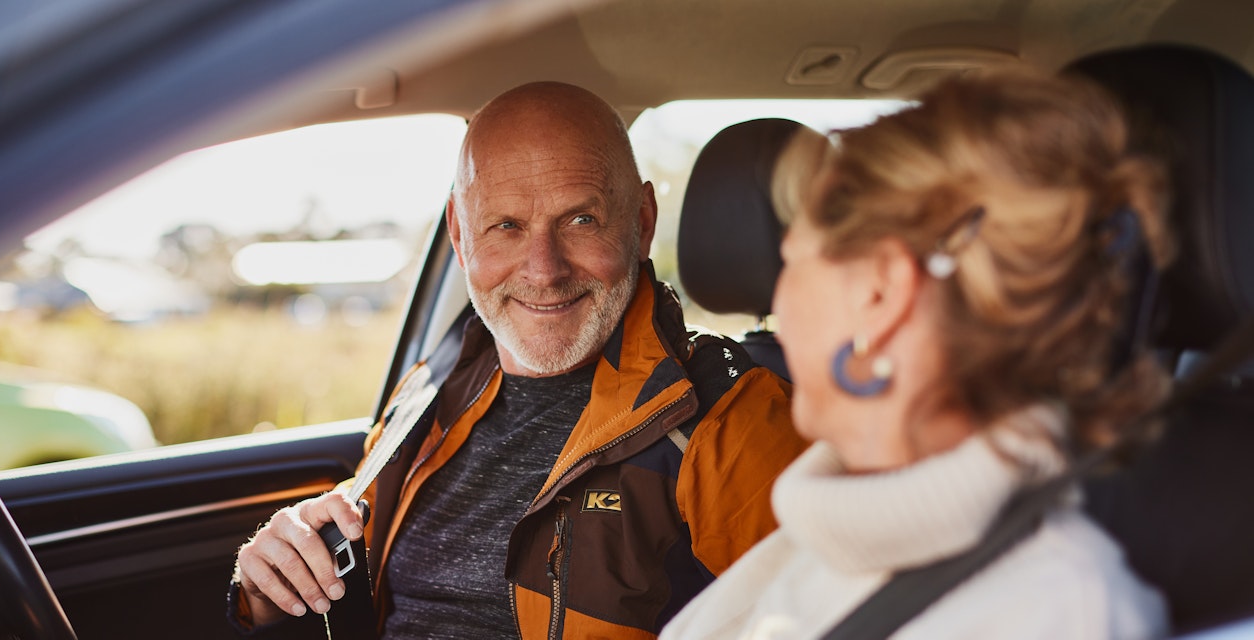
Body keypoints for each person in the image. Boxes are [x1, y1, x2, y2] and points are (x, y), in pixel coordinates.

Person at [229, 81, 808, 638]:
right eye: (506, 225)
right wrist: (273, 590)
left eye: (580, 219)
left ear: (641, 222)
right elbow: (349, 585)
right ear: (460, 235)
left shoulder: (732, 421)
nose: (544, 270)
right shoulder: (431, 387)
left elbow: (835, 616)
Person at [662, 71, 1172, 639]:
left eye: (793, 260)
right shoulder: (827, 529)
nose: (778, 294)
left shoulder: (1053, 613)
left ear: (879, 296)